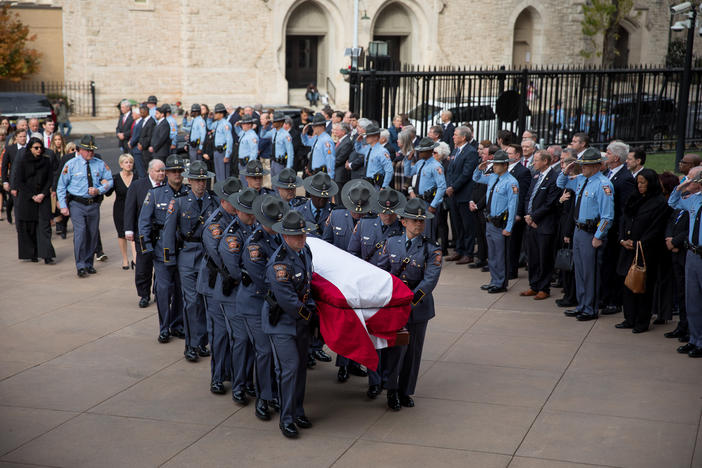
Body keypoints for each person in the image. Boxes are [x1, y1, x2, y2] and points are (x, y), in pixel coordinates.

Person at [377, 198, 442, 410]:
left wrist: (410, 301)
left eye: (421, 221)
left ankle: (405, 391)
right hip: (394, 305)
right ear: (404, 222)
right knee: (395, 351)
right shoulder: (391, 242)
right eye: (414, 221)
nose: (419, 225)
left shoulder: (431, 249)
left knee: (412, 352)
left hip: (417, 307)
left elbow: (429, 280)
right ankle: (392, 391)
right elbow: (382, 272)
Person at [262, 210, 316, 438]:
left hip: (300, 322)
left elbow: (308, 283)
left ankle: (298, 409)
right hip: (282, 322)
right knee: (290, 368)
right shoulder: (279, 264)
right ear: (285, 236)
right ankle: (286, 419)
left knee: (300, 367)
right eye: (296, 235)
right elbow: (288, 300)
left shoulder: (305, 252)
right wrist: (309, 315)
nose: (301, 238)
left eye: (303, 234)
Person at [162, 160, 218, 360]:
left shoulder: (213, 201)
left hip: (208, 257)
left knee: (205, 302)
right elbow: (168, 232)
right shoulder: (179, 201)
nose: (201, 184)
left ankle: (202, 342)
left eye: (204, 180)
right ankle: (191, 345)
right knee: (191, 302)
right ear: (190, 181)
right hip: (187, 255)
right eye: (197, 180)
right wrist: (169, 260)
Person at [239, 194, 289, 418]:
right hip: (256, 302)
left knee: (274, 353)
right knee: (264, 352)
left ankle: (274, 394)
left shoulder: (278, 239)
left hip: (272, 304)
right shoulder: (255, 244)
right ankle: (264, 397)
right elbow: (264, 278)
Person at [323, 179, 374, 383]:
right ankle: (342, 365)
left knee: (360, 325)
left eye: (361, 211)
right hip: (339, 280)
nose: (357, 214)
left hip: (361, 280)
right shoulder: (335, 216)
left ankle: (354, 362)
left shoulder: (372, 221)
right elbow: (325, 243)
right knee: (343, 324)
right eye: (354, 210)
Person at [557, 147, 614, 321]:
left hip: (591, 233)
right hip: (578, 230)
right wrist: (566, 171)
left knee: (590, 273)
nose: (582, 168)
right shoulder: (581, 179)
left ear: (597, 166)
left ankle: (590, 308)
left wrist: (599, 236)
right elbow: (561, 183)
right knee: (580, 271)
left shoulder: (604, 185)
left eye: (586, 165)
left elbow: (607, 215)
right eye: (582, 165)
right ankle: (582, 305)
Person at [199, 177, 242, 395]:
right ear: (224, 201)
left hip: (230, 284)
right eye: (233, 201)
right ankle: (217, 376)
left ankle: (232, 373)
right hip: (215, 284)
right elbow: (220, 258)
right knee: (219, 333)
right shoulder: (215, 223)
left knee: (234, 333)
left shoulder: (236, 220)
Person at [219, 188, 259, 405]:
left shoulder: (256, 229)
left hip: (250, 295)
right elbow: (235, 270)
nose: (251, 216)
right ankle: (239, 385)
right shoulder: (233, 234)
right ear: (238, 211)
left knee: (252, 342)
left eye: (253, 212)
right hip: (234, 293)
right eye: (247, 212)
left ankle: (248, 382)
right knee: (241, 341)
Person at [138, 156, 186, 335]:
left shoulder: (188, 194)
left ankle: (177, 324)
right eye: (173, 171)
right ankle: (164, 327)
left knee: (181, 290)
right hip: (162, 250)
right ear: (166, 174)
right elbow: (143, 223)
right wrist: (147, 248)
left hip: (183, 250)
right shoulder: (156, 194)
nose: (177, 174)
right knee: (164, 291)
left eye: (179, 171)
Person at [56, 135, 113, 277]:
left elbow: (109, 180)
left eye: (92, 150)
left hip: (93, 204)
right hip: (77, 204)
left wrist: (99, 189)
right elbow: (61, 186)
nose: (90, 153)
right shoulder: (71, 164)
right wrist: (63, 205)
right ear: (80, 149)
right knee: (80, 234)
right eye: (87, 150)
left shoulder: (99, 163)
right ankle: (80, 265)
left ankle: (89, 263)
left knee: (92, 234)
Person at [472, 150, 519, 293]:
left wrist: (509, 227)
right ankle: (494, 280)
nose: (494, 167)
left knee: (500, 255)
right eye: (494, 164)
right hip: (490, 221)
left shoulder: (511, 182)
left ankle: (500, 283)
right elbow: (477, 178)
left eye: (497, 165)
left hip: (500, 224)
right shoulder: (493, 177)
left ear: (505, 165)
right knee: (492, 254)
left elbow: (513, 206)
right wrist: (478, 168)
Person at [668, 166, 702, 358]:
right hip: (692, 254)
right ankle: (695, 339)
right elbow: (673, 203)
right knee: (692, 299)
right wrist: (683, 186)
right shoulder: (693, 200)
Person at [599, 141, 635, 315]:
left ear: (616, 157)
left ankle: (613, 301)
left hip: (614, 230)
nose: (605, 155)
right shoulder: (608, 173)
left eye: (607, 152)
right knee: (604, 265)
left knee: (612, 265)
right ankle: (604, 297)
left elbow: (624, 209)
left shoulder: (626, 178)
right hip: (604, 227)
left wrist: (620, 232)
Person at [125, 159, 165, 308]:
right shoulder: (138, 186)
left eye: (163, 170)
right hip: (143, 234)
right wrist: (128, 229)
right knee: (143, 266)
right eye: (158, 171)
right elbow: (130, 208)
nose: (161, 173)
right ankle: (144, 294)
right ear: (150, 171)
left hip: (162, 234)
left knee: (161, 266)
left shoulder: (167, 186)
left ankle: (158, 292)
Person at [521, 150, 561, 300]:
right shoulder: (536, 176)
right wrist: (528, 216)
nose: (533, 163)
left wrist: (534, 217)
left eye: (536, 160)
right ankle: (534, 285)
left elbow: (550, 204)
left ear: (545, 161)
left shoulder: (554, 178)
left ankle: (544, 288)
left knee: (544, 257)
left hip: (544, 225)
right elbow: (528, 197)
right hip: (531, 222)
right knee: (532, 257)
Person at [14, 137, 56, 264]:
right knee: (30, 227)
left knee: (44, 226)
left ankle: (47, 254)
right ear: (30, 149)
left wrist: (43, 194)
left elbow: (50, 179)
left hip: (43, 198)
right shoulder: (23, 162)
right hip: (28, 198)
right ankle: (32, 253)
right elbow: (19, 182)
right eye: (36, 148)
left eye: (40, 148)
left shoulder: (46, 161)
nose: (39, 150)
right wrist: (32, 195)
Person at [445, 126, 480, 264]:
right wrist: (449, 185)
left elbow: (466, 173)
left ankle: (468, 252)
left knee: (467, 225)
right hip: (453, 194)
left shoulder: (470, 152)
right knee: (456, 224)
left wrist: (453, 187)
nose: (453, 137)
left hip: (464, 194)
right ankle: (459, 250)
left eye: (455, 134)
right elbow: (450, 170)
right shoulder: (455, 150)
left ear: (463, 137)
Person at [404, 137, 447, 241]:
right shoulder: (420, 163)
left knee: (427, 231)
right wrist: (407, 161)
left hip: (428, 202)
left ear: (429, 151)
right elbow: (408, 173)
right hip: (418, 201)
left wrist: (433, 205)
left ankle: (429, 254)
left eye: (422, 151)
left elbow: (442, 187)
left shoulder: (436, 166)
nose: (419, 153)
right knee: (417, 230)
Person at [505, 144, 531, 280]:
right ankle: (504, 268)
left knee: (513, 244)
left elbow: (522, 195)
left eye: (509, 153)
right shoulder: (504, 169)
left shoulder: (523, 171)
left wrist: (518, 213)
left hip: (514, 212)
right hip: (504, 212)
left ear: (517, 155)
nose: (507, 155)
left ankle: (511, 270)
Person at [112, 154, 137, 270]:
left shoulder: (137, 177)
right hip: (119, 209)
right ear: (121, 164)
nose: (129, 164)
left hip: (134, 209)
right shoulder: (116, 178)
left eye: (130, 162)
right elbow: (107, 192)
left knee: (134, 233)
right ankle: (125, 259)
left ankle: (135, 259)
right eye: (126, 162)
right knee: (122, 235)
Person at [296, 172, 336, 239]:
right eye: (319, 196)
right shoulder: (298, 211)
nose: (322, 199)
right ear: (311, 194)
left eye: (325, 196)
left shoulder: (334, 213)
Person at [2, 129, 27, 225]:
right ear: (16, 137)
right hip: (14, 181)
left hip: (27, 181)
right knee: (16, 203)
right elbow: (4, 166)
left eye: (24, 136)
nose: (22, 138)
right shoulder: (10, 149)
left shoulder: (30, 148)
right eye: (20, 136)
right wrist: (5, 181)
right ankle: (19, 224)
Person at [262, 111, 295, 179]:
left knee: (280, 184)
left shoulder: (286, 135)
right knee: (274, 183)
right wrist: (264, 127)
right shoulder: (273, 131)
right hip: (273, 162)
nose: (272, 123)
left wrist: (288, 168)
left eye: (274, 121)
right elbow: (263, 136)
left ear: (280, 123)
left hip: (281, 163)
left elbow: (290, 153)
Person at [359, 124, 393, 189]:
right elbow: (358, 149)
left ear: (376, 137)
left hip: (376, 184)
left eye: (368, 136)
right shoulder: (368, 148)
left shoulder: (382, 151)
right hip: (367, 183)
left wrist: (384, 186)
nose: (366, 138)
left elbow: (389, 170)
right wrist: (358, 142)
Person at [302, 114, 335, 179]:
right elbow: (306, 143)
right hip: (313, 173)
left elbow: (330, 160)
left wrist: (330, 177)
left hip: (321, 174)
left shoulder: (326, 140)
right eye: (313, 126)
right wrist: (304, 134)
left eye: (315, 126)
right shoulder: (316, 138)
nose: (313, 128)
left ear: (322, 126)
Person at [211, 104, 235, 183]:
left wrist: (227, 155)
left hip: (223, 152)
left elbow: (229, 140)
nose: (214, 114)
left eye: (216, 113)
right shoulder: (217, 123)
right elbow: (209, 127)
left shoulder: (225, 124)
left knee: (223, 176)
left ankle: (225, 194)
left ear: (221, 114)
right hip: (217, 151)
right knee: (218, 175)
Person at [332, 122, 354, 192]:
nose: (335, 132)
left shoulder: (347, 142)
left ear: (343, 131)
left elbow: (340, 159)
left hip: (340, 175)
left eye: (337, 130)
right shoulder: (341, 141)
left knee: (339, 199)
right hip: (336, 174)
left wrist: (329, 165)